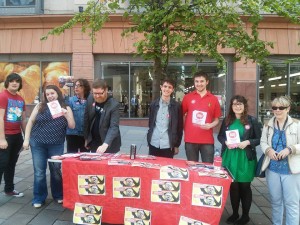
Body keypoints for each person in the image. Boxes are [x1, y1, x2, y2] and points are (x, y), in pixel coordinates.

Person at [23, 85, 75, 208]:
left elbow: (72, 126)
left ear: (58, 93)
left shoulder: (65, 107)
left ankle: (58, 195)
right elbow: (30, 122)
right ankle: (39, 197)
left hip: (56, 143)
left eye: (52, 93)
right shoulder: (40, 106)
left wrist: (66, 115)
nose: (50, 96)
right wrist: (26, 139)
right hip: (38, 143)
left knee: (56, 170)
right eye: (47, 94)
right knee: (39, 172)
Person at [217, 95, 261, 225]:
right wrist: (225, 142)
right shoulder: (227, 120)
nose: (237, 106)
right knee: (233, 187)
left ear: (244, 106)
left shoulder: (252, 121)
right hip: (230, 157)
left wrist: (248, 142)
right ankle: (235, 213)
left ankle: (245, 216)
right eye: (235, 104)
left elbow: (259, 139)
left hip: (245, 158)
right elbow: (220, 136)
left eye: (240, 104)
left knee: (245, 187)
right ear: (231, 106)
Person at [260, 96, 300, 225]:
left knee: (292, 203)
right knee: (276, 201)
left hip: (291, 170)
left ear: (288, 108)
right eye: (274, 108)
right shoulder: (268, 124)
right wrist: (268, 150)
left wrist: (290, 149)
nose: (277, 110)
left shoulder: (297, 124)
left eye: (281, 108)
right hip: (273, 169)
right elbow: (263, 142)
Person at [182, 71, 221, 163]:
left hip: (207, 140)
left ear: (207, 82)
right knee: (192, 169)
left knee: (207, 169)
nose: (199, 84)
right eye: (197, 81)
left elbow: (216, 119)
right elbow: (181, 115)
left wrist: (210, 125)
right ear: (194, 82)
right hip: (190, 139)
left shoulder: (213, 99)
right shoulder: (188, 97)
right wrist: (186, 128)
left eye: (202, 81)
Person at [0, 73, 26, 197]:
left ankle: (9, 189)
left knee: (11, 164)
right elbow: (0, 118)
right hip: (5, 136)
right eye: (12, 81)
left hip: (17, 136)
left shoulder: (20, 99)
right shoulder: (3, 96)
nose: (14, 83)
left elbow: (23, 119)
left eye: (17, 81)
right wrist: (1, 139)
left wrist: (26, 137)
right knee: (2, 164)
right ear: (7, 83)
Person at [147, 78, 183, 158]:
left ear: (172, 89)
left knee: (166, 168)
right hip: (154, 142)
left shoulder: (177, 106)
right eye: (165, 86)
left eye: (169, 87)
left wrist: (176, 145)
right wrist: (149, 140)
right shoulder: (153, 105)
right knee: (153, 168)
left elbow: (179, 128)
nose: (167, 89)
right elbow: (151, 124)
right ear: (161, 87)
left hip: (168, 145)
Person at [84, 79, 121, 154]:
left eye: (100, 93)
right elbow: (86, 120)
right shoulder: (90, 99)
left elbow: (114, 127)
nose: (97, 96)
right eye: (94, 93)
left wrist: (105, 144)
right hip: (94, 141)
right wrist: (86, 138)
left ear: (106, 90)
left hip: (109, 143)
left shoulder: (114, 105)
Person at [66, 78, 91, 153]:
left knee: (85, 157)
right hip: (72, 134)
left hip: (85, 135)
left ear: (85, 87)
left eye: (79, 85)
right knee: (71, 156)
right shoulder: (70, 100)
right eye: (75, 85)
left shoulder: (90, 100)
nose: (76, 87)